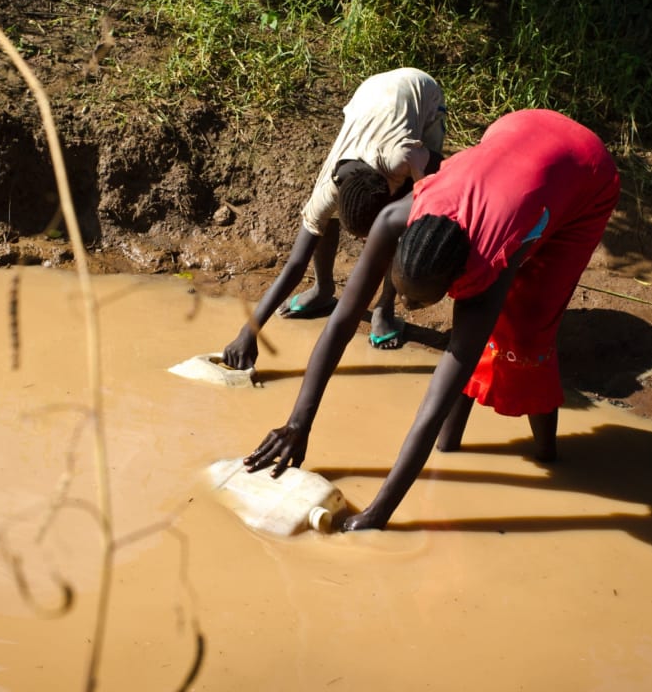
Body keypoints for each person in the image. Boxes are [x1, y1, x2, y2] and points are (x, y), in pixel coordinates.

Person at [243, 108, 620, 531]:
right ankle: (449, 447)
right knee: (479, 342)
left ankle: (549, 455)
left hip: (584, 171)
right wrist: (297, 424)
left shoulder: (492, 258)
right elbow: (341, 323)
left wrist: (377, 514)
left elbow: (440, 391)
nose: (412, 310)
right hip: (517, 130)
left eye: (422, 303)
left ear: (460, 277)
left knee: (528, 328)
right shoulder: (395, 217)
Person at [221, 68, 447, 369]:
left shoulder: (403, 156)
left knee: (407, 219)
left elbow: (439, 173)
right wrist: (249, 331)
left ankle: (384, 310)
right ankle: (323, 290)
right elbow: (295, 264)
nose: (366, 241)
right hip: (371, 93)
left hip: (418, 91)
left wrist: (416, 203)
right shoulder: (327, 191)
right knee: (322, 223)